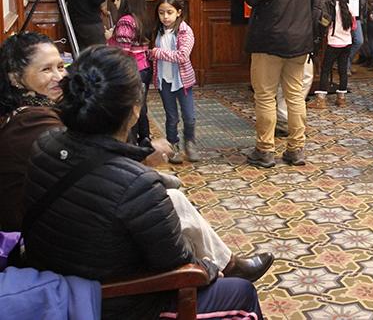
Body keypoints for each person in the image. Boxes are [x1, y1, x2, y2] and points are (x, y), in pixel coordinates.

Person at [0, 32, 273, 283]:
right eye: (46, 69)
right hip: (54, 243)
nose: (59, 77)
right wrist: (142, 164)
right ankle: (227, 268)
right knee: (166, 206)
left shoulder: (35, 113)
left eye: (61, 67)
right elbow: (93, 172)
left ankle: (227, 263)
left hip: (58, 224)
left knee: (170, 200)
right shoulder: (37, 127)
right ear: (15, 78)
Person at [235, 0, 313, 168]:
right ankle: (296, 149)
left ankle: (265, 150)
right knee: (295, 96)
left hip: (269, 39)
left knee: (265, 96)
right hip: (299, 38)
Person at [151, 0, 201, 163]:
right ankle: (173, 145)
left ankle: (190, 142)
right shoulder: (156, 31)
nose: (165, 17)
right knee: (171, 116)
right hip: (164, 80)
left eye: (169, 12)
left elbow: (182, 55)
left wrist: (157, 53)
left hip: (182, 81)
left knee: (189, 116)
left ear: (178, 12)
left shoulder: (185, 31)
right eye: (161, 13)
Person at [107, 0, 152, 146]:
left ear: (127, 0)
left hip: (133, 69)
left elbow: (123, 52)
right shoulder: (142, 18)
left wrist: (109, 39)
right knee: (142, 106)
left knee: (130, 108)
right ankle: (145, 139)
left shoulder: (125, 21)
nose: (115, 2)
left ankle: (131, 143)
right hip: (144, 68)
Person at [311, 0, 354, 109]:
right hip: (347, 43)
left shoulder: (330, 9)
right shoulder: (347, 7)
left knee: (325, 70)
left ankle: (321, 100)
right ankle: (341, 99)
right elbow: (354, 26)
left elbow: (324, 24)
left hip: (333, 43)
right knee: (342, 70)